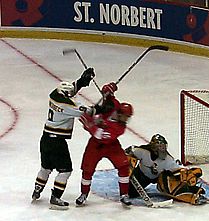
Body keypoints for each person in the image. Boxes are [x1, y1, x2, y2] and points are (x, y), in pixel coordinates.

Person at [31, 68, 95, 210]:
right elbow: (88, 111)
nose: (72, 95)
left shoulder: (54, 95)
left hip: (45, 139)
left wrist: (81, 81)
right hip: (57, 142)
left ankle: (37, 190)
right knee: (65, 170)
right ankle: (56, 197)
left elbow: (69, 91)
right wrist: (102, 106)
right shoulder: (68, 106)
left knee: (45, 167)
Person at [75, 102, 134, 207]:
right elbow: (108, 97)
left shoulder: (120, 128)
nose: (127, 120)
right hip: (95, 146)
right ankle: (84, 194)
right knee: (87, 170)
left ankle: (124, 194)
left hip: (111, 145)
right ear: (119, 114)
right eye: (126, 117)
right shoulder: (113, 107)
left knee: (124, 167)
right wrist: (109, 89)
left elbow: (98, 135)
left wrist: (94, 123)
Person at [125, 134, 208, 205]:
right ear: (154, 148)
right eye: (160, 147)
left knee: (171, 186)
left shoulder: (168, 160)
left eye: (164, 147)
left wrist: (189, 174)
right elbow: (128, 152)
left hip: (159, 177)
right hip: (141, 174)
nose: (163, 150)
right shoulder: (143, 151)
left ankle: (192, 196)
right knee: (131, 193)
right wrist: (128, 166)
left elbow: (180, 170)